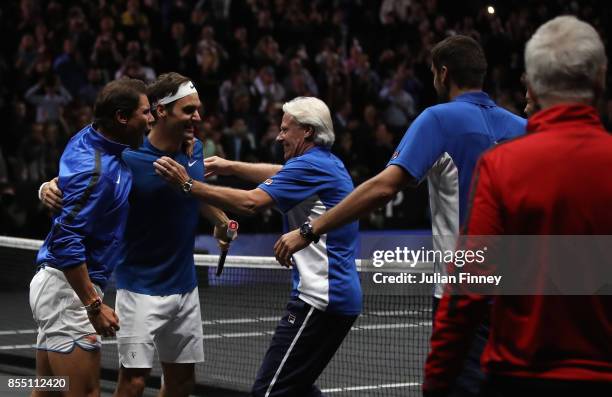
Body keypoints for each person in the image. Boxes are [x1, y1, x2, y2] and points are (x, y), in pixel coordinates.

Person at [273, 35, 526, 396]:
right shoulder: (523, 128)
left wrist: (311, 228)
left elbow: (382, 188)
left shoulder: (438, 120)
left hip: (464, 298)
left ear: (443, 73)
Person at [423, 16, 612, 397]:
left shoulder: (504, 166)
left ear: (534, 84)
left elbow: (471, 286)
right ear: (600, 79)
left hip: (521, 377)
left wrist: (437, 380)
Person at [153, 96, 362, 396]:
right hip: (331, 297)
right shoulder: (325, 162)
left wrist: (187, 185)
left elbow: (250, 203)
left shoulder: (310, 166)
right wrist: (230, 166)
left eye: (285, 129)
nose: (279, 136)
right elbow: (278, 174)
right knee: (296, 387)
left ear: (307, 132)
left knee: (268, 392)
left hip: (322, 298)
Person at [40, 72, 233, 397]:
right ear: (161, 112)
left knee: (182, 383)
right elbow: (81, 180)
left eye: (197, 109)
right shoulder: (126, 154)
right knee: (133, 383)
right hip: (138, 287)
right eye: (188, 110)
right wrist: (46, 187)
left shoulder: (194, 149)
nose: (197, 117)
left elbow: (192, 192)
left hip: (186, 288)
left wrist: (219, 219)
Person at [30, 78, 154, 397]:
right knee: (86, 393)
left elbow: (72, 184)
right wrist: (94, 305)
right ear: (122, 118)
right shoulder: (98, 172)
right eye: (146, 112)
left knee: (45, 391)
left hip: (56, 288)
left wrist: (49, 185)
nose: (151, 119)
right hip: (68, 293)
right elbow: (65, 239)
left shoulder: (91, 136)